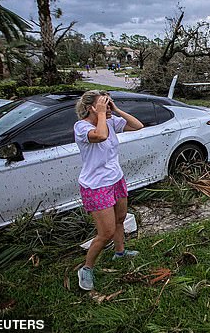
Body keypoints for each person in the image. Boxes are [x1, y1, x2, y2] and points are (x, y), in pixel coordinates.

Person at [74, 90, 144, 291]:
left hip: (116, 179)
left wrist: (115, 109)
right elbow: (101, 135)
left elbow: (138, 125)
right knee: (106, 232)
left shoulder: (111, 121)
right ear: (90, 108)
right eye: (103, 103)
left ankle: (120, 252)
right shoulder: (81, 127)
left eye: (108, 102)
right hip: (96, 186)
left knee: (120, 220)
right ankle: (86, 268)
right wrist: (103, 114)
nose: (107, 105)